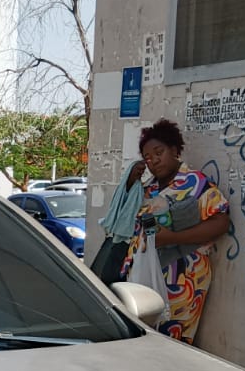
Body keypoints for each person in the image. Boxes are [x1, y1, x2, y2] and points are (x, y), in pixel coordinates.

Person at [123, 118, 230, 343]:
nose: (154, 160)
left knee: (174, 341)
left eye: (158, 152)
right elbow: (144, 223)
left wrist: (173, 238)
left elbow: (220, 222)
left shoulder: (195, 182)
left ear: (174, 150)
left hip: (184, 280)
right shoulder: (149, 188)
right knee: (145, 339)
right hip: (148, 273)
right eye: (148, 158)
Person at [91, 158, 146, 285]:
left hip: (133, 240)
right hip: (120, 236)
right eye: (138, 169)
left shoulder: (141, 188)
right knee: (109, 274)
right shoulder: (129, 186)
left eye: (142, 170)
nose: (140, 172)